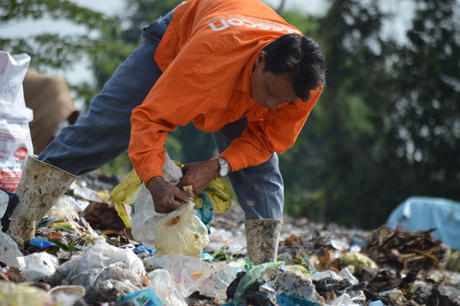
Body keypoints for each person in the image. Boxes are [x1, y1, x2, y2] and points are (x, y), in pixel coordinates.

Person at [9, 0, 326, 262]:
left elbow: (265, 139)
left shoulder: (303, 86)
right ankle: (15, 223)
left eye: (282, 101)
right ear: (260, 60)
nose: (271, 105)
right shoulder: (208, 61)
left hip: (231, 48)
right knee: (99, 130)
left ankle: (262, 270)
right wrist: (155, 180)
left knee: (261, 170)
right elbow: (151, 119)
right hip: (182, 40)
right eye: (269, 90)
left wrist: (218, 166)